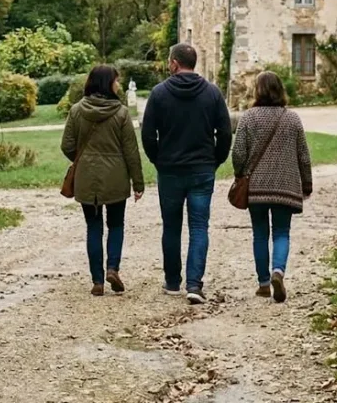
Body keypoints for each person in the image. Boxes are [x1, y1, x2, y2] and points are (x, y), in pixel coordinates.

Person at [140, 43, 232, 304]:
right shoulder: (212, 94)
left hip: (170, 169)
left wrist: (158, 159)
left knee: (171, 226)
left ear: (174, 63)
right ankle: (194, 284)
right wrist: (215, 160)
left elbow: (148, 133)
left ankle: (172, 281)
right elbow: (225, 133)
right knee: (199, 226)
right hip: (202, 168)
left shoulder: (159, 94)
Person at [61, 65, 146, 296]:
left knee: (93, 227)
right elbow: (131, 151)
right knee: (116, 225)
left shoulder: (77, 110)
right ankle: (112, 268)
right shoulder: (121, 113)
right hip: (116, 178)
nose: (118, 85)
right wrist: (138, 183)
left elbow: (67, 145)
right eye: (117, 81)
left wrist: (83, 159)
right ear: (108, 83)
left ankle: (97, 281)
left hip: (86, 178)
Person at [232, 71, 313, 303]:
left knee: (259, 233)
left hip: (256, 186)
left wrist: (240, 175)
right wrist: (306, 183)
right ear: (280, 90)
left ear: (257, 90)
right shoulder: (293, 118)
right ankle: (279, 270)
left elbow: (238, 153)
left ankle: (264, 283)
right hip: (285, 187)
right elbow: (304, 156)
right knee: (281, 232)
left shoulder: (248, 117)